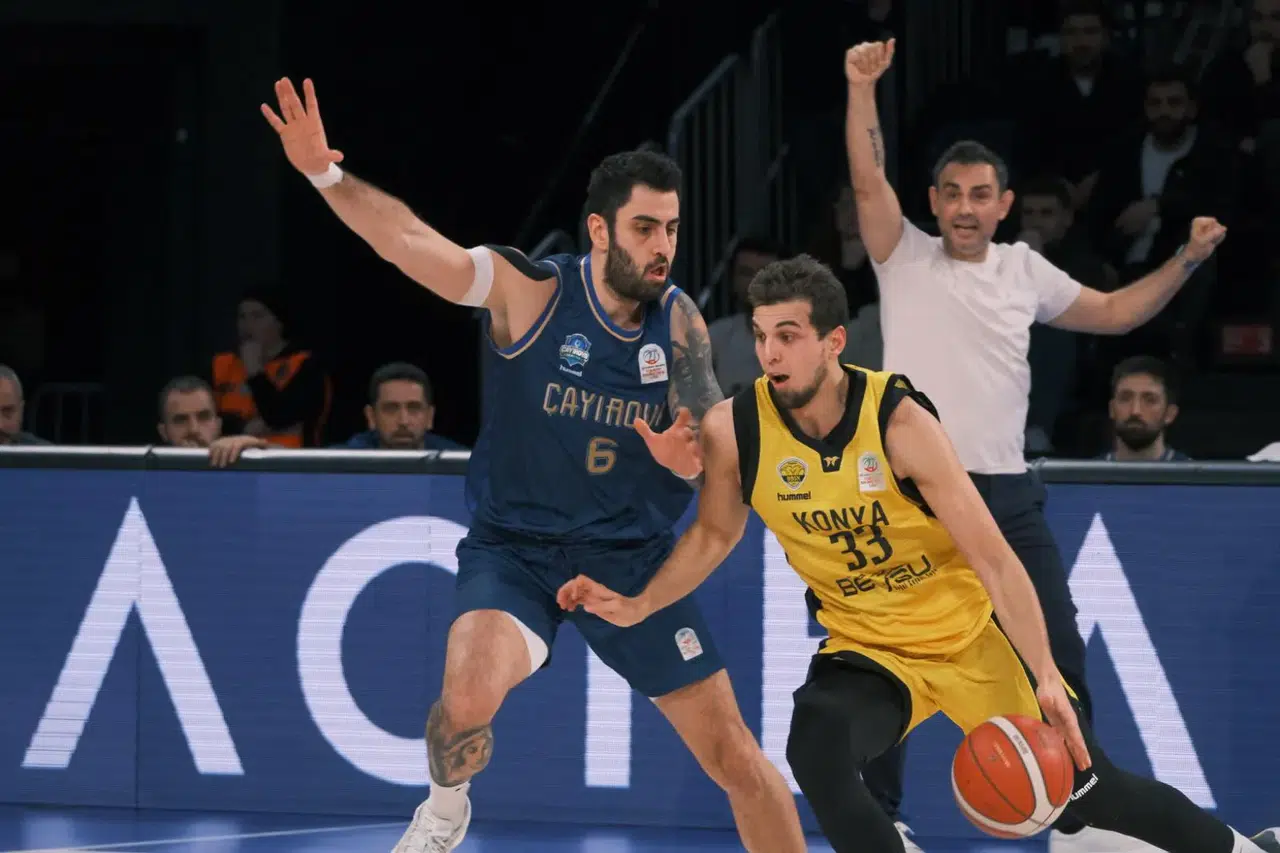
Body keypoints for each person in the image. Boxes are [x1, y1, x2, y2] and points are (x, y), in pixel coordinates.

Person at [556, 254, 1280, 853]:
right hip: (871, 649)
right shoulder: (735, 427)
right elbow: (715, 535)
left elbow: (995, 558)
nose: (769, 352)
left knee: (1091, 794)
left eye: (788, 335)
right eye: (761, 334)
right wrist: (643, 602)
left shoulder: (898, 421)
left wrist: (1046, 676)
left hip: (965, 639)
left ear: (834, 342)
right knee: (815, 744)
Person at [261, 78, 808, 853]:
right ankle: (445, 810)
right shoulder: (533, 292)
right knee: (465, 698)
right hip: (516, 549)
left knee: (737, 759)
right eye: (645, 227)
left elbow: (713, 449)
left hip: (630, 557)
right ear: (600, 230)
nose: (662, 246)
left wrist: (690, 461)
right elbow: (411, 243)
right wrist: (325, 173)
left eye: (672, 229)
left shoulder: (679, 322)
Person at [840, 39, 1227, 852]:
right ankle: (882, 822)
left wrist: (1188, 258)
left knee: (1056, 649)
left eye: (981, 194)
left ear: (1006, 202)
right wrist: (861, 88)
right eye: (952, 194)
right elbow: (869, 179)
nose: (966, 207)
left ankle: (1079, 810)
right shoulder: (903, 255)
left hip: (1006, 494)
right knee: (891, 652)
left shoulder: (1026, 271)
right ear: (933, 201)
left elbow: (1117, 313)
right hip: (912, 496)